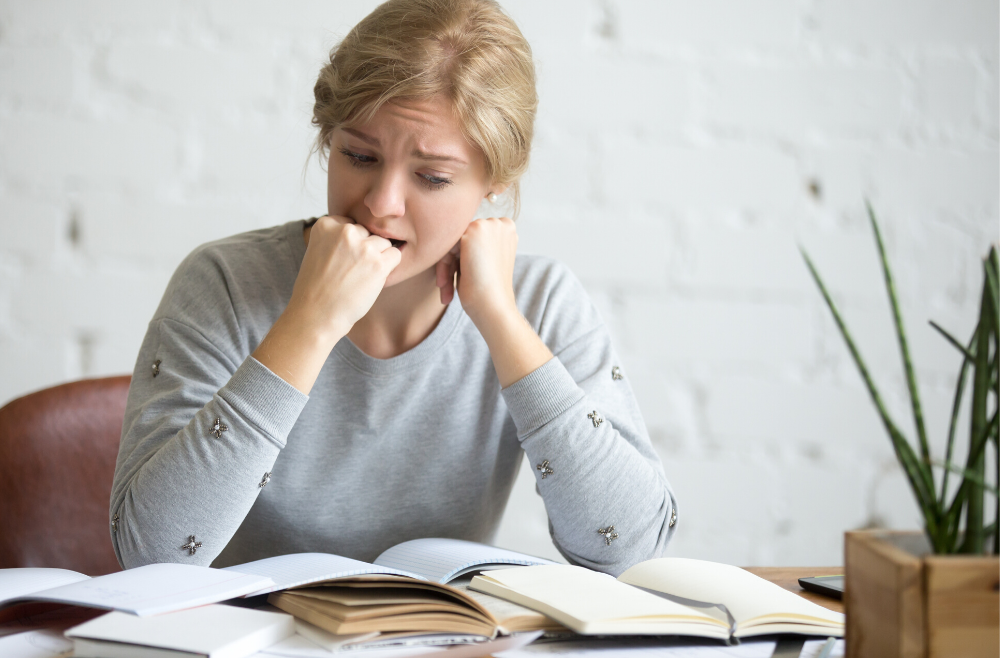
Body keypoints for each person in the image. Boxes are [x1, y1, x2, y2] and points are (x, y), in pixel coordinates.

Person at [110, 0, 677, 578]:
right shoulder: (226, 283)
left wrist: (502, 323)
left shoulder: (541, 300)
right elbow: (150, 552)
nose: (381, 205)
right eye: (358, 156)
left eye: (431, 177)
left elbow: (628, 546)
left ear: (497, 181)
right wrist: (309, 323)